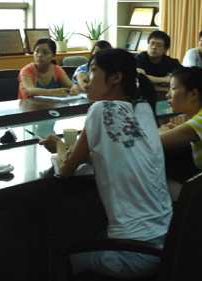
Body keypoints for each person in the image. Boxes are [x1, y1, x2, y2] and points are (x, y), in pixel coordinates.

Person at [40, 49, 172, 278]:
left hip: (135, 253)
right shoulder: (142, 107)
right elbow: (125, 151)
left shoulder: (101, 110)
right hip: (168, 241)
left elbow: (66, 169)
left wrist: (58, 145)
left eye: (92, 70)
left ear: (116, 78)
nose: (85, 79)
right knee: (87, 234)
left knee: (53, 259)